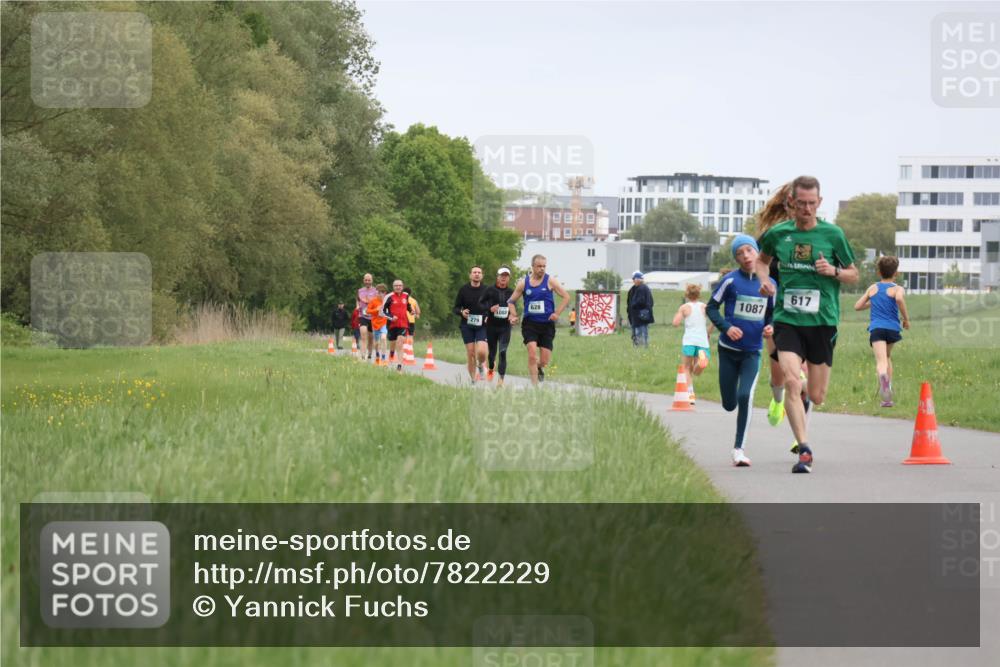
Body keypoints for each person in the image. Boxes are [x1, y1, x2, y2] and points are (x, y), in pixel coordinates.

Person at [756, 175, 859, 473]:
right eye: (801, 203)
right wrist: (765, 281)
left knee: (816, 395)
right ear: (792, 202)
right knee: (789, 381)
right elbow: (762, 262)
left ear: (819, 203)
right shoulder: (778, 234)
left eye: (812, 203)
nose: (806, 209)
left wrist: (834, 271)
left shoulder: (833, 235)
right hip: (788, 320)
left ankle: (803, 391)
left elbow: (854, 274)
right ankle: (804, 449)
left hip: (822, 321)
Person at [707, 236, 776, 467]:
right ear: (736, 258)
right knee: (729, 403)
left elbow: (773, 314)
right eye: (740, 253)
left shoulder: (770, 285)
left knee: (745, 396)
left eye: (749, 250)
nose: (746, 256)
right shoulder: (730, 281)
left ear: (758, 253)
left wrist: (771, 326)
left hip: (752, 352)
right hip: (728, 350)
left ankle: (739, 449)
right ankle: (730, 402)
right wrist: (726, 327)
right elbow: (711, 307)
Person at [854, 255, 910, 407]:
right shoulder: (897, 288)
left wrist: (872, 302)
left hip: (877, 329)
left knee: (881, 362)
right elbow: (898, 299)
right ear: (896, 273)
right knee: (887, 356)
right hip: (892, 329)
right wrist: (906, 319)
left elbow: (857, 306)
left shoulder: (873, 288)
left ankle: (884, 382)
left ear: (879, 272)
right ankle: (887, 396)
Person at [507, 254, 571, 385]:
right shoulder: (523, 283)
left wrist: (557, 314)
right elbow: (511, 301)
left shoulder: (550, 281)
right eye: (539, 266)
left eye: (544, 266)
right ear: (533, 267)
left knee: (544, 361)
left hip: (547, 325)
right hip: (530, 324)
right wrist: (513, 315)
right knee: (531, 354)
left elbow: (566, 297)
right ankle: (534, 387)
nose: (542, 269)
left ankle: (539, 367)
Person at [671, 284, 713, 404]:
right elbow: (715, 321)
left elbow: (675, 323)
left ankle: (690, 395)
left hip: (689, 341)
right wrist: (708, 332)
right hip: (702, 341)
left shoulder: (684, 307)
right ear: (699, 294)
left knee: (686, 368)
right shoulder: (705, 307)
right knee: (698, 367)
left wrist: (679, 314)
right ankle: (700, 364)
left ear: (687, 295)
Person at [479, 266, 518, 386]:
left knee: (503, 352)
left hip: (505, 327)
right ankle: (491, 367)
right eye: (501, 276)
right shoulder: (489, 290)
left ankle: (501, 380)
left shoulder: (512, 292)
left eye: (506, 276)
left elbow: (514, 308)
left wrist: (513, 317)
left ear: (509, 278)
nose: (503, 278)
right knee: (492, 354)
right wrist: (489, 309)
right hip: (491, 326)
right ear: (497, 277)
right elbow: (480, 303)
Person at [453, 266, 490, 382]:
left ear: (482, 275)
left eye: (479, 272)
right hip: (467, 325)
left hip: (482, 325)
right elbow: (455, 308)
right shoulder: (463, 290)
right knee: (471, 353)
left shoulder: (487, 290)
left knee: (482, 352)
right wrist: (461, 312)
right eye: (474, 272)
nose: (477, 274)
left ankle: (480, 364)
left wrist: (489, 316)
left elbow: (492, 307)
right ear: (470, 275)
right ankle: (473, 379)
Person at [382, 280, 414, 372]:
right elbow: (382, 311)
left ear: (402, 286)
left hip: (403, 324)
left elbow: (408, 305)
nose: (398, 287)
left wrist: (411, 310)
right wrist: (391, 317)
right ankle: (391, 354)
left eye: (400, 286)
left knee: (400, 343)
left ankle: (399, 365)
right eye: (396, 286)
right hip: (392, 325)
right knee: (392, 343)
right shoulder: (389, 297)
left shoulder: (406, 295)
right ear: (393, 287)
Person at [626, 271, 654, 348]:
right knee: (640, 331)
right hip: (640, 314)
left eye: (634, 279)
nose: (633, 281)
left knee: (640, 331)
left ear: (638, 279)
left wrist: (633, 305)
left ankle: (641, 347)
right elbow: (651, 302)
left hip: (640, 314)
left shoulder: (641, 288)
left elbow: (640, 301)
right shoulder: (637, 288)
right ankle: (641, 346)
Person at [366, 283, 389, 365]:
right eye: (379, 292)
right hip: (375, 324)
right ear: (376, 293)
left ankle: (383, 357)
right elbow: (367, 311)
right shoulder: (373, 301)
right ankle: (377, 354)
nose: (381, 294)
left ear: (385, 293)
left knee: (383, 338)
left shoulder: (387, 301)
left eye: (382, 292)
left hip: (383, 323)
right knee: (376, 342)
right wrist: (376, 309)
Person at [356, 274, 377, 361]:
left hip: (372, 317)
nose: (367, 282)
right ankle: (363, 355)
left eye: (369, 280)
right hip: (362, 315)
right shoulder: (360, 290)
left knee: (371, 337)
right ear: (363, 280)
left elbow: (379, 301)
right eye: (366, 280)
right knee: (363, 335)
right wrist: (357, 306)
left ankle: (369, 353)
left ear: (372, 280)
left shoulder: (376, 291)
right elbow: (357, 299)